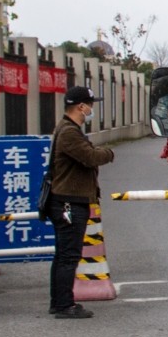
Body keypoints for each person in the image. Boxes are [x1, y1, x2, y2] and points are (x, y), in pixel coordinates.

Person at [46, 86, 116, 317]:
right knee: (68, 255)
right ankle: (64, 305)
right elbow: (90, 156)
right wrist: (107, 153)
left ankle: (59, 301)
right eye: (90, 105)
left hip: (67, 200)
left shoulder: (68, 129)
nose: (91, 109)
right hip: (69, 202)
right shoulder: (68, 132)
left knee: (63, 254)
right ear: (81, 107)